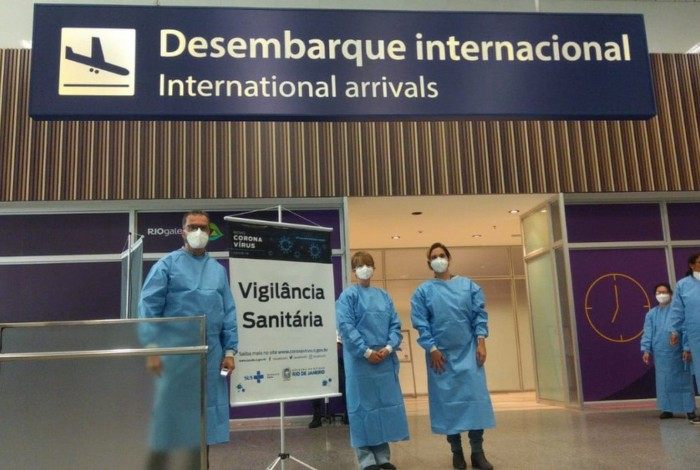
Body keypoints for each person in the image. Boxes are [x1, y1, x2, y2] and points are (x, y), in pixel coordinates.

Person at [139, 210, 238, 468]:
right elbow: (148, 308)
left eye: (204, 228)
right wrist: (151, 348)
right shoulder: (167, 266)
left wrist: (230, 351)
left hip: (210, 355)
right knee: (168, 419)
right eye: (193, 227)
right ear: (182, 231)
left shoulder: (217, 271)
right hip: (175, 355)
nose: (199, 232)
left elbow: (228, 311)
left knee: (202, 419)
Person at [410, 242, 495, 470]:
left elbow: (479, 316)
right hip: (440, 357)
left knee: (475, 401)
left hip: (469, 352)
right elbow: (421, 322)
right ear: (429, 263)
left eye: (442, 255)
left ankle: (477, 453)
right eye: (434, 257)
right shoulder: (423, 292)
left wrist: (481, 342)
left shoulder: (469, 286)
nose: (438, 259)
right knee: (448, 405)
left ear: (449, 258)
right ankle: (457, 452)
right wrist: (432, 349)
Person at [336, 251, 409, 470]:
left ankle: (382, 457)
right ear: (353, 270)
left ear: (374, 268)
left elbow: (395, 325)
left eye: (368, 264)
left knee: (383, 408)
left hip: (384, 361)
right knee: (362, 408)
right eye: (359, 265)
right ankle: (366, 459)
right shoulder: (348, 297)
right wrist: (366, 351)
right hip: (360, 362)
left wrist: (388, 348)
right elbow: (346, 327)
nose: (364, 268)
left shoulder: (384, 296)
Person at [641, 282, 695, 420]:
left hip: (678, 353)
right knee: (663, 382)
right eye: (658, 293)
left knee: (683, 382)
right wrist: (646, 350)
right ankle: (667, 409)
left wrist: (687, 347)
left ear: (670, 294)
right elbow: (648, 333)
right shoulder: (651, 314)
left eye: (664, 292)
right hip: (661, 354)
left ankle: (689, 409)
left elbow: (686, 329)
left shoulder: (678, 312)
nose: (661, 295)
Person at [669, 252, 700, 424]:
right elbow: (678, 311)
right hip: (696, 334)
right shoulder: (683, 285)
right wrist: (675, 331)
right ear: (692, 265)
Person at [309, 336, 348, 428]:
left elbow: (338, 342)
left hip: (334, 359)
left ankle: (348, 415)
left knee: (345, 386)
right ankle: (316, 417)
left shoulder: (335, 326)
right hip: (316, 360)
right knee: (315, 388)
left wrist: (327, 349)